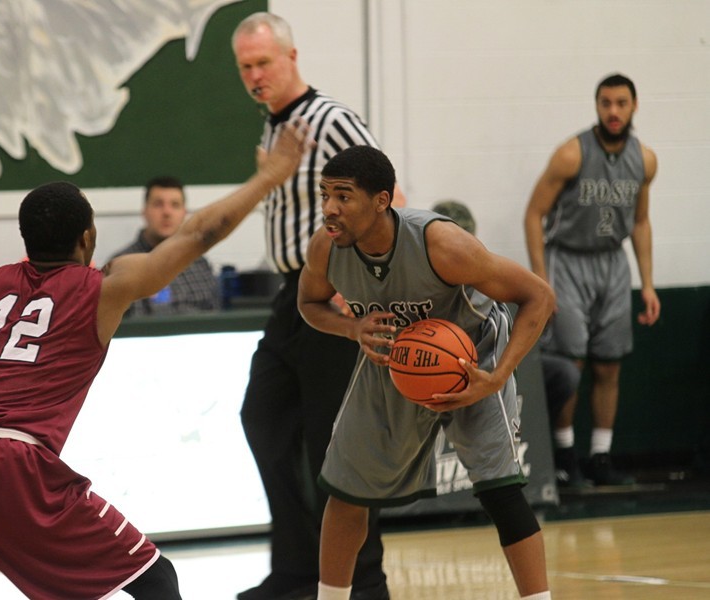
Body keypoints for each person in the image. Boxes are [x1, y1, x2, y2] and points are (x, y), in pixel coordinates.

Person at [0, 119, 311, 600]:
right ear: (86, 238)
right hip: (14, 464)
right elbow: (199, 233)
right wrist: (269, 178)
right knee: (156, 580)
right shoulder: (102, 289)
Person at [298, 145, 555, 600]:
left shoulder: (442, 244)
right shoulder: (326, 248)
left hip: (472, 361)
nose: (329, 209)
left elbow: (538, 297)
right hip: (393, 363)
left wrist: (496, 378)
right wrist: (352, 327)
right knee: (345, 492)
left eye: (343, 196)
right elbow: (309, 304)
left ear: (381, 201)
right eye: (324, 195)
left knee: (501, 490)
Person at [231, 11, 405, 600]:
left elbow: (392, 198)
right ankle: (298, 570)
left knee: (341, 445)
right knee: (262, 418)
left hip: (336, 294)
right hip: (292, 296)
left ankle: (364, 580)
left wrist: (362, 284)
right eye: (245, 67)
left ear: (292, 57)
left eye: (263, 63)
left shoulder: (330, 121)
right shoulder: (272, 129)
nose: (255, 76)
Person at [524, 73, 660, 487]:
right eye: (605, 103)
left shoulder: (645, 159)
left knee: (609, 365)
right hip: (568, 261)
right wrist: (542, 282)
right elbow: (533, 215)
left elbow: (639, 221)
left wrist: (648, 283)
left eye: (621, 103)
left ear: (635, 106)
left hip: (613, 265)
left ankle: (601, 457)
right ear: (597, 106)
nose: (613, 111)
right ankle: (564, 457)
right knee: (569, 363)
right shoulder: (571, 154)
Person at [109, 176, 221, 317]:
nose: (167, 212)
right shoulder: (120, 265)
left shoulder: (199, 264)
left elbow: (215, 318)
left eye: (175, 205)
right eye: (158, 204)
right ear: (145, 211)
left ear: (184, 213)